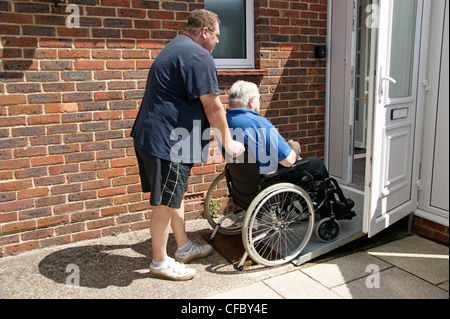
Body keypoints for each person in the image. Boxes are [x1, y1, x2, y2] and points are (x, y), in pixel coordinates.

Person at [131, 10, 245, 281]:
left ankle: (182, 247)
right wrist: (228, 142)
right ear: (204, 31)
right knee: (164, 203)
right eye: (216, 36)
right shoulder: (198, 55)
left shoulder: (175, 47)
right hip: (168, 142)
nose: (217, 42)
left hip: (156, 137)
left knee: (174, 195)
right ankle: (159, 261)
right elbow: (213, 105)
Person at [226, 80, 329, 181]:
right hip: (270, 179)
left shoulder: (225, 123)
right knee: (316, 163)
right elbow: (288, 161)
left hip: (245, 182)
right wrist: (295, 147)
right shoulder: (258, 123)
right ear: (252, 101)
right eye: (259, 99)